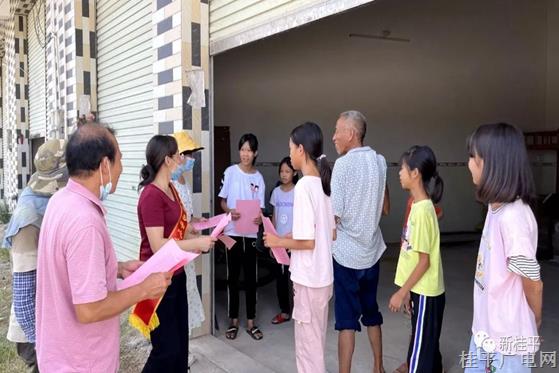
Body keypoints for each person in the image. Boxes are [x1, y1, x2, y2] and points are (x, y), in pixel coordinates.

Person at [35, 123, 172, 372]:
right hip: (82, 362)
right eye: (119, 159)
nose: (122, 168)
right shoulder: (85, 221)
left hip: (59, 355)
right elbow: (89, 309)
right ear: (104, 165)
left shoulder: (60, 201)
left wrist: (116, 268)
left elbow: (68, 265)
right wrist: (144, 289)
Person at [464, 123, 543, 372]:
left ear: (491, 164)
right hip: (485, 334)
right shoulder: (494, 208)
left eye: (472, 157)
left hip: (508, 343)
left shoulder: (514, 217)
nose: (468, 163)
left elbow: (532, 280)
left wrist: (534, 318)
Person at [137, 135, 216, 372]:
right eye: (178, 155)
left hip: (177, 275)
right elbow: (159, 245)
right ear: (166, 160)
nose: (182, 160)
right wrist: (196, 243)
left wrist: (199, 239)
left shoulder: (172, 188)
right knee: (165, 351)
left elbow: (178, 234)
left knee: (180, 346)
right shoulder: (151, 195)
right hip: (157, 281)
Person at [264, 122, 335, 373]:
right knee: (316, 342)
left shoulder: (304, 186)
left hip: (308, 278)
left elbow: (308, 242)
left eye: (291, 148)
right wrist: (288, 236)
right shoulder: (323, 184)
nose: (290, 153)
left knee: (307, 349)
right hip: (322, 277)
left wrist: (278, 241)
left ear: (301, 149)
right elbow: (328, 232)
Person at [330, 110, 389, 373]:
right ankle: (378, 368)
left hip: (346, 256)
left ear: (351, 134)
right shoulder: (380, 161)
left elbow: (335, 216)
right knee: (371, 312)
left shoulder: (342, 165)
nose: (334, 137)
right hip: (372, 252)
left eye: (337, 131)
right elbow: (385, 207)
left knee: (346, 321)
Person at [4, 139, 69, 373]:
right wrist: (43, 344)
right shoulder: (29, 219)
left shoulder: (45, 202)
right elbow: (23, 299)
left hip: (50, 322)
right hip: (35, 332)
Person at [389, 145, 445, 373]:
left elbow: (424, 261)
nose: (399, 173)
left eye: (402, 169)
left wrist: (402, 292)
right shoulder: (419, 206)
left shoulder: (422, 210)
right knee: (426, 346)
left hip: (425, 292)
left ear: (415, 173)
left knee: (419, 358)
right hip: (422, 291)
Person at [218, 133, 266, 341]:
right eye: (242, 149)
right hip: (232, 232)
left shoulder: (259, 178)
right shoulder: (230, 172)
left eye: (249, 150)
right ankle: (233, 321)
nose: (245, 154)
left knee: (251, 278)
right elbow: (221, 201)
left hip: (251, 234)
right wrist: (230, 211)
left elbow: (261, 209)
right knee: (233, 278)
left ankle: (251, 322)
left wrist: (259, 219)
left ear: (255, 153)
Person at [170, 130, 206, 366]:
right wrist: (193, 234)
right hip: (176, 253)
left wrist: (198, 225)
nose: (192, 159)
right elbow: (174, 225)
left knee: (187, 298)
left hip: (188, 253)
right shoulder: (169, 184)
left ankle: (183, 350)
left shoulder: (183, 181)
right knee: (176, 304)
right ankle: (177, 352)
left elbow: (187, 218)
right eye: (189, 154)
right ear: (178, 156)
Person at [269, 156, 298, 325]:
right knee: (280, 279)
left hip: (294, 243)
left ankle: (299, 311)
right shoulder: (276, 192)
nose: (284, 174)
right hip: (279, 243)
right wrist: (273, 241)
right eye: (282, 171)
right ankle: (285, 311)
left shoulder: (299, 191)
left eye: (287, 171)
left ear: (294, 173)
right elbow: (274, 216)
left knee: (295, 279)